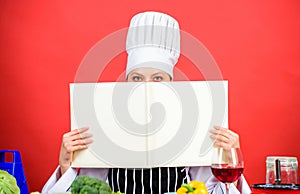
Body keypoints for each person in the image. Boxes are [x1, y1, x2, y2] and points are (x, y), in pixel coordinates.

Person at [42, 11, 251, 194]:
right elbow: (88, 189)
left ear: (172, 84)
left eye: (158, 78)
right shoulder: (106, 125)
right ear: (125, 83)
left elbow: (210, 191)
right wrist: (66, 166)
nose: (146, 86)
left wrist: (230, 159)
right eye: (137, 78)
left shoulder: (190, 126)